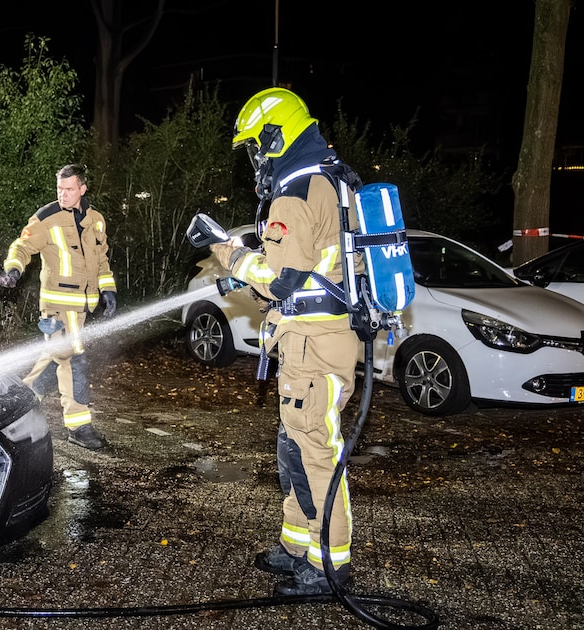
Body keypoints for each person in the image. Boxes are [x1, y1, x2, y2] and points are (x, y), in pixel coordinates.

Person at [209, 87, 364, 596]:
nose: (255, 158)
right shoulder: (330, 178)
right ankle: (297, 544)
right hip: (320, 338)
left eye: (256, 146)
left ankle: (327, 565)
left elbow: (280, 279)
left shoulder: (295, 190)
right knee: (296, 443)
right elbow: (310, 268)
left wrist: (229, 254)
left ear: (275, 136)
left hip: (312, 345)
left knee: (315, 451)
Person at [0, 164, 116, 450]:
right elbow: (22, 246)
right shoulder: (46, 218)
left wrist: (108, 289)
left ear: (82, 189)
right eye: (59, 189)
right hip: (57, 306)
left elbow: (101, 258)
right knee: (73, 360)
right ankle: (79, 427)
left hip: (83, 306)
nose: (63, 194)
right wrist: (13, 269)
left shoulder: (96, 220)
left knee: (55, 360)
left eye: (69, 189)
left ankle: (15, 408)